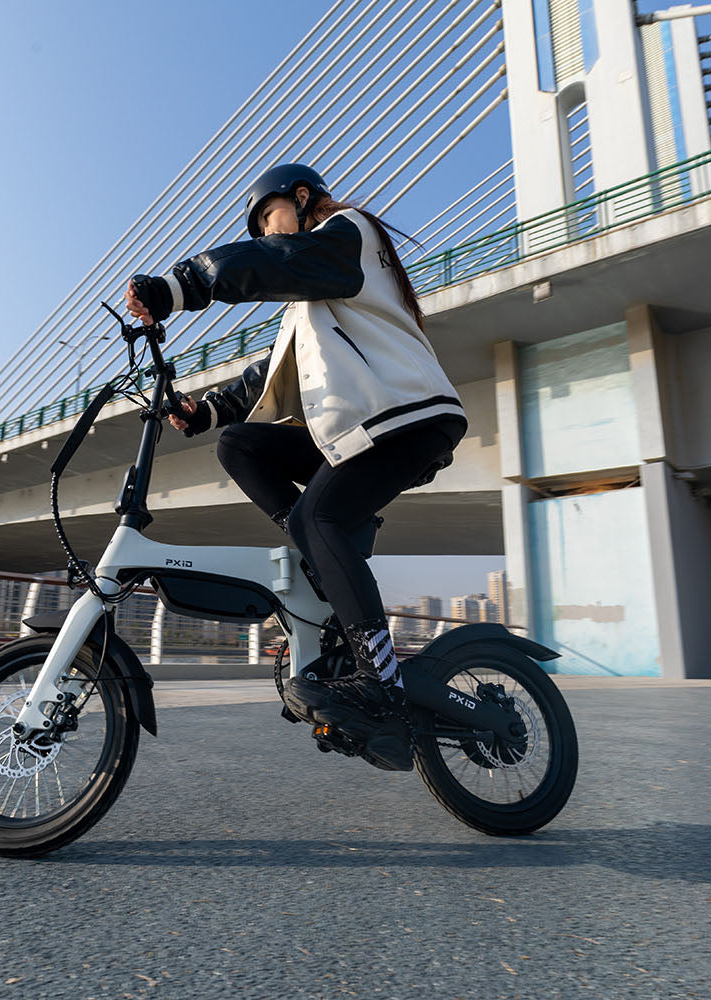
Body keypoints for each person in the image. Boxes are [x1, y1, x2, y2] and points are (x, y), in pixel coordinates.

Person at [125, 163, 466, 771]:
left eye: (266, 218)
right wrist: (204, 410)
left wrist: (180, 287)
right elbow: (269, 373)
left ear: (302, 198)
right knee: (240, 446)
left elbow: (274, 260)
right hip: (366, 427)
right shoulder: (317, 290)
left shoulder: (348, 233)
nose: (263, 233)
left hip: (407, 417)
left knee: (321, 518)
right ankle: (318, 561)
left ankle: (380, 684)